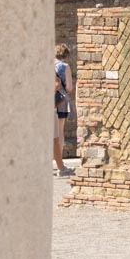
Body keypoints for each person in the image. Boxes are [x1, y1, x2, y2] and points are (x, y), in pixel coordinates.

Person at [53, 45, 75, 177]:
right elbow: (70, 87)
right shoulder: (65, 66)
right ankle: (59, 165)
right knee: (59, 131)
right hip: (59, 101)